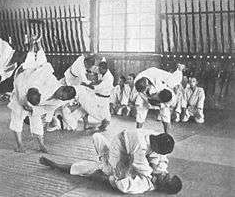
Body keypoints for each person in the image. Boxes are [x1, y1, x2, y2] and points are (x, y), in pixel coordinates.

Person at [39, 129, 181, 194]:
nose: (165, 174)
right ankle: (103, 157)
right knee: (98, 142)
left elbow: (123, 186)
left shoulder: (145, 184)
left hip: (112, 171)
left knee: (86, 165)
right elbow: (146, 162)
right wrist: (155, 171)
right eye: (167, 175)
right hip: (119, 148)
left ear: (162, 186)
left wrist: (115, 175)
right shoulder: (141, 143)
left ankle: (56, 165)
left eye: (166, 178)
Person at [8, 37, 76, 153]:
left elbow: (46, 108)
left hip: (36, 101)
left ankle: (41, 144)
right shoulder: (45, 80)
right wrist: (25, 104)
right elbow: (37, 66)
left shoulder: (60, 100)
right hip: (23, 84)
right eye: (61, 95)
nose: (60, 98)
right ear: (62, 88)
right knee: (17, 118)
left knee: (37, 121)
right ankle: (19, 145)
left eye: (63, 98)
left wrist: (33, 109)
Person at [134, 64, 185, 133]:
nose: (146, 91)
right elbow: (141, 94)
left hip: (160, 89)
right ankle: (138, 133)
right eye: (144, 91)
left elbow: (173, 79)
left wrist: (179, 71)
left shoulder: (157, 74)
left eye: (146, 89)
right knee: (141, 111)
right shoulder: (137, 80)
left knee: (165, 113)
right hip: (146, 96)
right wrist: (148, 100)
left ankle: (167, 135)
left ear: (148, 84)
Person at [79, 59, 114, 131]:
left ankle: (104, 124)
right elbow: (99, 81)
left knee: (104, 115)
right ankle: (86, 125)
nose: (99, 71)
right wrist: (91, 82)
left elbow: (96, 87)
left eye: (100, 70)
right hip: (97, 95)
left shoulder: (109, 78)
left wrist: (86, 84)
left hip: (103, 98)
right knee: (85, 106)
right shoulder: (103, 72)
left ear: (105, 69)